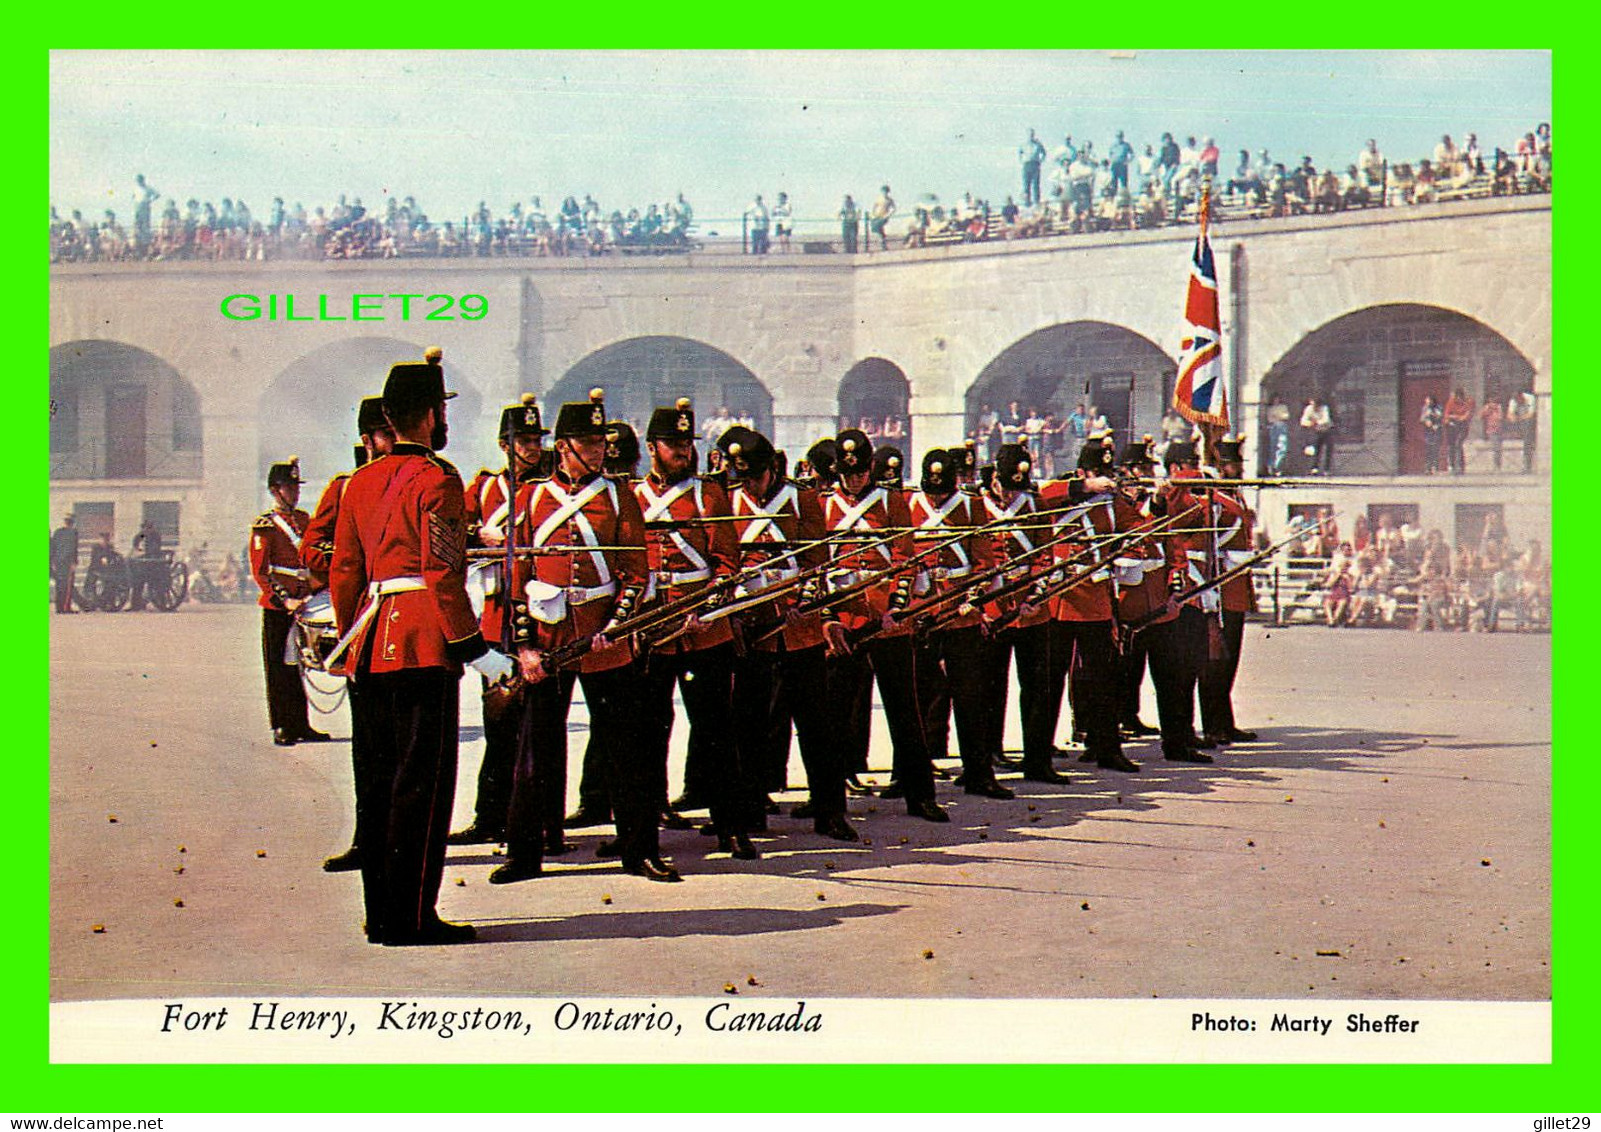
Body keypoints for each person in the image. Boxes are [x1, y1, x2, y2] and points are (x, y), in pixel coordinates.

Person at [330, 360, 513, 945]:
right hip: (424, 643)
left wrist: (352, 636)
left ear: (386, 417)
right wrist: (478, 652)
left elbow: (344, 572)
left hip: (370, 640)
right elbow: (441, 574)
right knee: (421, 788)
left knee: (378, 784)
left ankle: (380, 914)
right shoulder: (439, 478)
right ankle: (411, 917)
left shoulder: (357, 482)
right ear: (432, 415)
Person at [496, 389, 666, 884]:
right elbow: (516, 575)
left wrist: (614, 629)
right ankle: (525, 854)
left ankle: (639, 851)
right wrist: (525, 646)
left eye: (599, 442)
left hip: (602, 638)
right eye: (587, 443)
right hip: (547, 640)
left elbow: (637, 572)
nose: (597, 450)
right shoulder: (530, 496)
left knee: (625, 750)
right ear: (563, 445)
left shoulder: (619, 495)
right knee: (535, 752)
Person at [634, 398, 758, 860]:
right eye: (673, 444)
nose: (683, 451)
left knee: (716, 732)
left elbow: (727, 563)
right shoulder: (632, 496)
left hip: (705, 627)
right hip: (654, 628)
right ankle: (645, 831)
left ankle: (730, 826)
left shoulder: (711, 495)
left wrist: (709, 603)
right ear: (652, 448)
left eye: (687, 443)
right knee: (649, 732)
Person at [720, 425, 856, 842]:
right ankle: (750, 809)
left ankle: (830, 811)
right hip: (754, 625)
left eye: (756, 475)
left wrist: (806, 602)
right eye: (745, 477)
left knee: (816, 724)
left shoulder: (802, 499)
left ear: (771, 469)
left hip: (798, 629)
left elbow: (818, 561)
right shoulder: (729, 500)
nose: (752, 485)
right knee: (749, 723)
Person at [820, 430, 948, 822]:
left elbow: (904, 558)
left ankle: (920, 795)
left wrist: (896, 606)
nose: (854, 479)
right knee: (835, 714)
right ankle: (828, 800)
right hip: (845, 617)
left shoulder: (892, 502)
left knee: (904, 710)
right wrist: (830, 616)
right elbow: (819, 562)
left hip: (888, 619)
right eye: (847, 472)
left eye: (859, 472)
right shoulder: (824, 504)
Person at [446, 395, 549, 851]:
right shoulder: (486, 488)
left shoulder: (548, 487)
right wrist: (479, 535)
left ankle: (533, 824)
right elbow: (453, 531)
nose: (530, 447)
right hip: (495, 612)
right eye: (522, 440)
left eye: (534, 439)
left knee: (537, 729)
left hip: (538, 611)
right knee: (498, 721)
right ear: (504, 445)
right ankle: (490, 815)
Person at [302, 394, 395, 873]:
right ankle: (368, 838)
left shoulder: (417, 477)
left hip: (410, 629)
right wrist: (349, 564)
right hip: (364, 625)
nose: (392, 441)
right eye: (384, 434)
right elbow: (313, 548)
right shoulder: (345, 486)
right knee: (371, 746)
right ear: (367, 440)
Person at [906, 448, 1011, 799]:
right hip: (923, 612)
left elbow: (984, 561)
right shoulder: (910, 505)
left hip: (961, 612)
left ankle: (978, 772)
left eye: (941, 490)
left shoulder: (968, 506)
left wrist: (974, 597)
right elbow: (903, 556)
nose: (936, 497)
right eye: (932, 490)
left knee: (971, 696)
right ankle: (906, 773)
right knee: (917, 696)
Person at [250, 458, 327, 747]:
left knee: (301, 666)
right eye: (288, 487)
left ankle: (301, 723)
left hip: (306, 601)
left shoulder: (305, 520)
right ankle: (282, 724)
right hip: (279, 606)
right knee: (278, 667)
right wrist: (285, 600)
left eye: (296, 486)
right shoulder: (265, 527)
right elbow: (261, 572)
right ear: (274, 490)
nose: (294, 492)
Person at [1198, 436, 1259, 746]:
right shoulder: (1217, 502)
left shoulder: (1234, 497)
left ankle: (1225, 720)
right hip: (1222, 585)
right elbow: (1210, 543)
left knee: (1230, 658)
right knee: (1217, 659)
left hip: (1237, 586)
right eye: (1233, 465)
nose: (1238, 469)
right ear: (1222, 467)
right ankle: (1213, 724)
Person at [50, 514, 79, 613]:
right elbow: (74, 549)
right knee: (67, 586)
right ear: (72, 522)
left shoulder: (57, 532)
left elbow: (53, 548)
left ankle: (59, 608)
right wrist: (74, 562)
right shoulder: (73, 533)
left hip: (58, 562)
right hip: (67, 562)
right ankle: (66, 608)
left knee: (59, 585)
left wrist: (52, 561)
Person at [1443, 386, 1475, 474]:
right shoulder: (1451, 402)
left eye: (1460, 398)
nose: (1458, 400)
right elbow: (1446, 415)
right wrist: (1455, 417)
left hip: (1462, 426)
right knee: (1451, 446)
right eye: (1456, 398)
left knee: (1458, 444)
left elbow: (1466, 416)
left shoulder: (1468, 402)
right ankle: (1452, 466)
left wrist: (1456, 416)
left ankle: (1460, 467)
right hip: (1452, 426)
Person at [1300, 397, 1334, 473]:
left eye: (1316, 404)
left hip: (1327, 430)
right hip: (1317, 431)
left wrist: (1316, 422)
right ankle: (1315, 467)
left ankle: (1326, 469)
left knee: (1328, 449)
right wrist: (1309, 423)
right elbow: (1303, 421)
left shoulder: (1324, 408)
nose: (1314, 406)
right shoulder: (1309, 409)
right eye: (1312, 403)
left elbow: (1326, 420)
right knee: (1316, 449)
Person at [1019, 129, 1046, 206]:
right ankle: (1027, 202)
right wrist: (1022, 161)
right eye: (1029, 134)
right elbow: (1020, 153)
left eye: (1032, 134)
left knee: (1036, 184)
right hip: (1027, 164)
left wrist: (1040, 161)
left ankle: (1037, 202)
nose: (1031, 136)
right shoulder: (1023, 144)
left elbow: (1044, 153)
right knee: (1026, 185)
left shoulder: (1038, 144)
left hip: (1035, 164)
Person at [1420, 394, 1444, 474]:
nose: (1427, 403)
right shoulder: (1425, 408)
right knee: (1428, 449)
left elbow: (1440, 417)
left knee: (1435, 449)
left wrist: (1435, 422)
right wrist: (1426, 420)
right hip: (1428, 431)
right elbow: (1422, 418)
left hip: (1437, 430)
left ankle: (1435, 467)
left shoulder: (1438, 408)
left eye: (1428, 401)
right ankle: (1428, 468)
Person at [869, 185, 896, 251]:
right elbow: (874, 207)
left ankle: (882, 239)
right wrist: (872, 214)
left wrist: (888, 215)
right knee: (876, 229)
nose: (885, 193)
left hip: (883, 217)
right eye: (883, 192)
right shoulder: (878, 199)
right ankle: (883, 242)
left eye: (886, 192)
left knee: (877, 226)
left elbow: (893, 208)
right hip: (876, 216)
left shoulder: (889, 200)